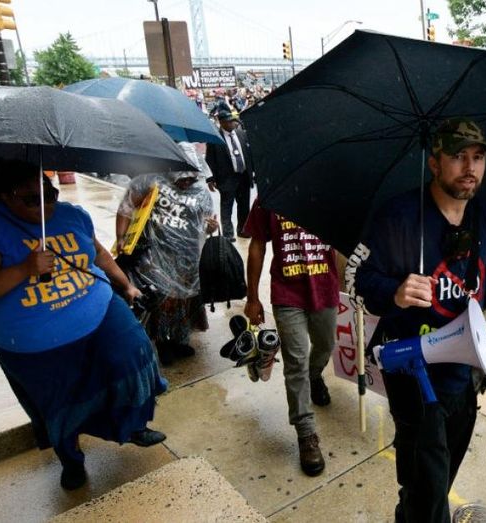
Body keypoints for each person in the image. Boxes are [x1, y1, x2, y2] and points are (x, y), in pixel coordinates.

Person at [0, 159, 167, 491]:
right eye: (31, 198)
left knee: (132, 358)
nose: (46, 203)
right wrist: (24, 269)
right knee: (61, 399)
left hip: (97, 307)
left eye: (48, 193)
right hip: (31, 337)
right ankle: (71, 459)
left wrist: (126, 285)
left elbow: (99, 255)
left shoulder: (73, 215)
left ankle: (132, 424)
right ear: (4, 196)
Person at [348, 118, 486, 522]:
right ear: (434, 163)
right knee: (429, 486)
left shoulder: (484, 217)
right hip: (414, 375)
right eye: (458, 156)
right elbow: (357, 280)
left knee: (441, 474)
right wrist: (396, 291)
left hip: (464, 373)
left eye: (478, 157)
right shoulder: (399, 216)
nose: (470, 167)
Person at [243, 202, 340, 477]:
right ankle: (306, 433)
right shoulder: (270, 195)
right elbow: (257, 245)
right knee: (295, 361)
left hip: (325, 288)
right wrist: (252, 297)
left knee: (325, 346)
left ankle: (315, 375)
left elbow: (348, 242)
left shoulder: (331, 191)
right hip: (287, 293)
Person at [115, 143, 218, 366]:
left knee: (183, 301)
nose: (186, 181)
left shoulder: (201, 192)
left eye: (191, 177)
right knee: (162, 299)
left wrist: (211, 227)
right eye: (182, 177)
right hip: (155, 254)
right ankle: (163, 343)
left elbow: (207, 224)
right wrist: (122, 237)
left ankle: (180, 340)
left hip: (187, 257)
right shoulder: (150, 180)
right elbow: (126, 208)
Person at [205, 106, 254, 242]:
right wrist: (210, 178)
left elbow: (249, 155)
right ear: (221, 122)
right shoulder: (215, 139)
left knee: (244, 205)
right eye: (229, 121)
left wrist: (253, 172)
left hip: (243, 175)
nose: (233, 123)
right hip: (226, 177)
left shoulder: (241, 134)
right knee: (227, 206)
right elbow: (209, 159)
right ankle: (227, 233)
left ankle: (243, 229)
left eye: (233, 121)